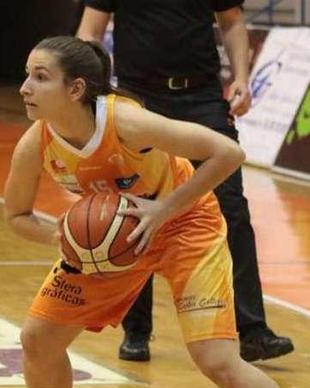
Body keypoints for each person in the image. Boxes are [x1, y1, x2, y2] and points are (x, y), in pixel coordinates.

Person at [0, 36, 310, 388]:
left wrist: (164, 210)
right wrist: (64, 235)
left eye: (40, 77)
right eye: (26, 75)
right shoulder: (35, 144)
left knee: (218, 361)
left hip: (183, 225)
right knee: (38, 339)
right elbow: (16, 215)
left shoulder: (127, 121)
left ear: (76, 89)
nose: (24, 88)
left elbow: (227, 153)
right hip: (118, 239)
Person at [76, 0, 294, 362]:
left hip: (202, 97)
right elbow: (89, 32)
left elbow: (232, 23)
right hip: (138, 98)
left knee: (232, 210)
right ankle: (136, 331)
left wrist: (241, 77)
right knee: (134, 208)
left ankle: (253, 330)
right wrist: (94, 89)